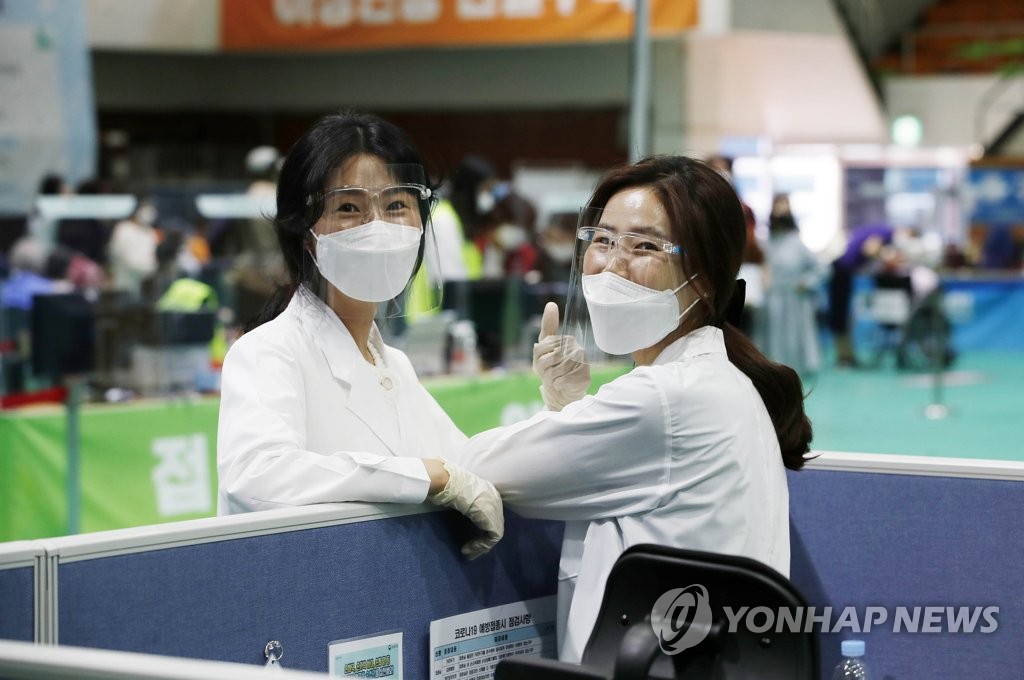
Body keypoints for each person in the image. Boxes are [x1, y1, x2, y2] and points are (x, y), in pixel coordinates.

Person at [445, 155, 813, 662]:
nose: (613, 263)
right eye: (601, 239)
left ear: (703, 279)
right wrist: (569, 408)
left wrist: (560, 412)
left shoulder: (667, 398)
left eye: (644, 246)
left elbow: (477, 467)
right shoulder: (716, 383)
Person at [216, 111, 503, 560]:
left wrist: (560, 411)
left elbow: (469, 463)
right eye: (349, 208)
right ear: (306, 232)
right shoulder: (268, 352)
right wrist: (427, 478)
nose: (378, 227)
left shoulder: (394, 366)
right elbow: (257, 476)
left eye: (396, 206)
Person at [762, 196, 826, 376]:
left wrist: (805, 283)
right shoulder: (766, 243)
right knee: (772, 339)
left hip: (795, 299)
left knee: (794, 337)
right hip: (772, 298)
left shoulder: (797, 244)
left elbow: (822, 268)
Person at [828, 222, 894, 366]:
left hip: (844, 273)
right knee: (840, 318)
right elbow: (870, 250)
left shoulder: (881, 231)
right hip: (840, 273)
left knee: (842, 318)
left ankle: (846, 355)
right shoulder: (885, 233)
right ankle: (844, 356)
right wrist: (883, 259)